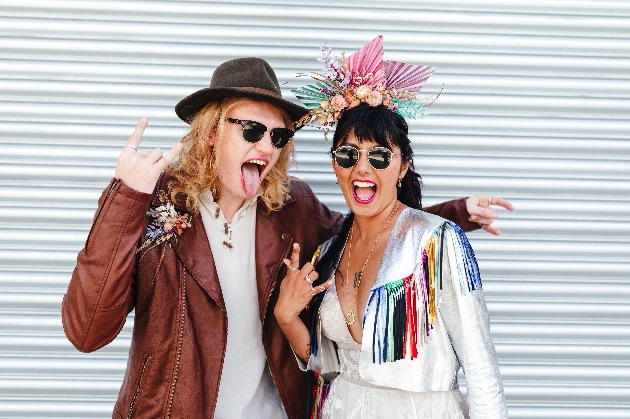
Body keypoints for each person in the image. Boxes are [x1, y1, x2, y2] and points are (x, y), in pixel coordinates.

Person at [62, 55, 511, 418]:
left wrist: (454, 214)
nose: (267, 147)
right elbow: (87, 332)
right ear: (213, 132)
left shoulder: (290, 207)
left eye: (278, 136)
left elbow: (364, 232)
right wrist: (126, 197)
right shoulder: (155, 200)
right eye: (253, 131)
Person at [274, 37, 509, 419]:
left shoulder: (436, 242)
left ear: (402, 167)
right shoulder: (327, 253)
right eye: (348, 155)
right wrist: (286, 317)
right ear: (335, 166)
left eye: (379, 156)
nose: (362, 169)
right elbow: (330, 368)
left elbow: (481, 369)